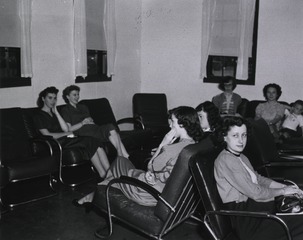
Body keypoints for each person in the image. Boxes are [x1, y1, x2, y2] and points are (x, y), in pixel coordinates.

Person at [74, 106, 204, 207]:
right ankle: (94, 194)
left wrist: (163, 144)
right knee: (120, 163)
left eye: (173, 122)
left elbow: (150, 166)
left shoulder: (172, 148)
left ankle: (95, 194)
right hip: (163, 190)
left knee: (118, 163)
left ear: (182, 125)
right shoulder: (194, 144)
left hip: (148, 193)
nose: (170, 125)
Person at [214, 116, 303, 240]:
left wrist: (285, 187)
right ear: (224, 136)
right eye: (235, 135)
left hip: (258, 210)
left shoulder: (241, 157)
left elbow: (259, 179)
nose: (241, 140)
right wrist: (282, 192)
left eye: (244, 135)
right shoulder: (226, 159)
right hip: (248, 220)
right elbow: (255, 193)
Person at [34, 86, 110, 178]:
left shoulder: (55, 113)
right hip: (55, 143)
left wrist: (56, 112)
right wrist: (66, 134)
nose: (53, 101)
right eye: (50, 98)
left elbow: (66, 128)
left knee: (94, 140)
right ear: (43, 99)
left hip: (67, 139)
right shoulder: (38, 116)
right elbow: (47, 135)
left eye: (55, 98)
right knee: (89, 141)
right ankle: (103, 174)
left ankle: (109, 173)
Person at [61, 85, 129, 158]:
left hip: (94, 128)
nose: (77, 97)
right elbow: (69, 129)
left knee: (111, 127)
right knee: (113, 133)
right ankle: (123, 155)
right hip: (83, 132)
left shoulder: (83, 107)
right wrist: (82, 123)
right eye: (74, 95)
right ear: (67, 97)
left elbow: (90, 119)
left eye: (78, 94)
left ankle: (123, 155)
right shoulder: (65, 110)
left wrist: (90, 121)